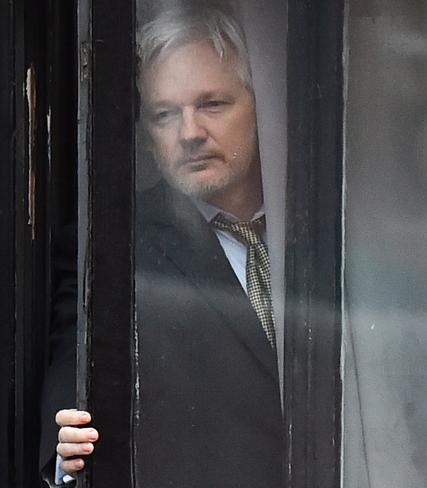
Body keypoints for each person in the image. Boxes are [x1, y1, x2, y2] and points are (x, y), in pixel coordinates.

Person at [40, 7, 284, 487]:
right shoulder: (113, 246)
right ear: (148, 135)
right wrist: (64, 443)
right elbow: (77, 358)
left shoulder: (326, 221)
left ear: (263, 106)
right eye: (165, 114)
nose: (189, 133)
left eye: (212, 104)